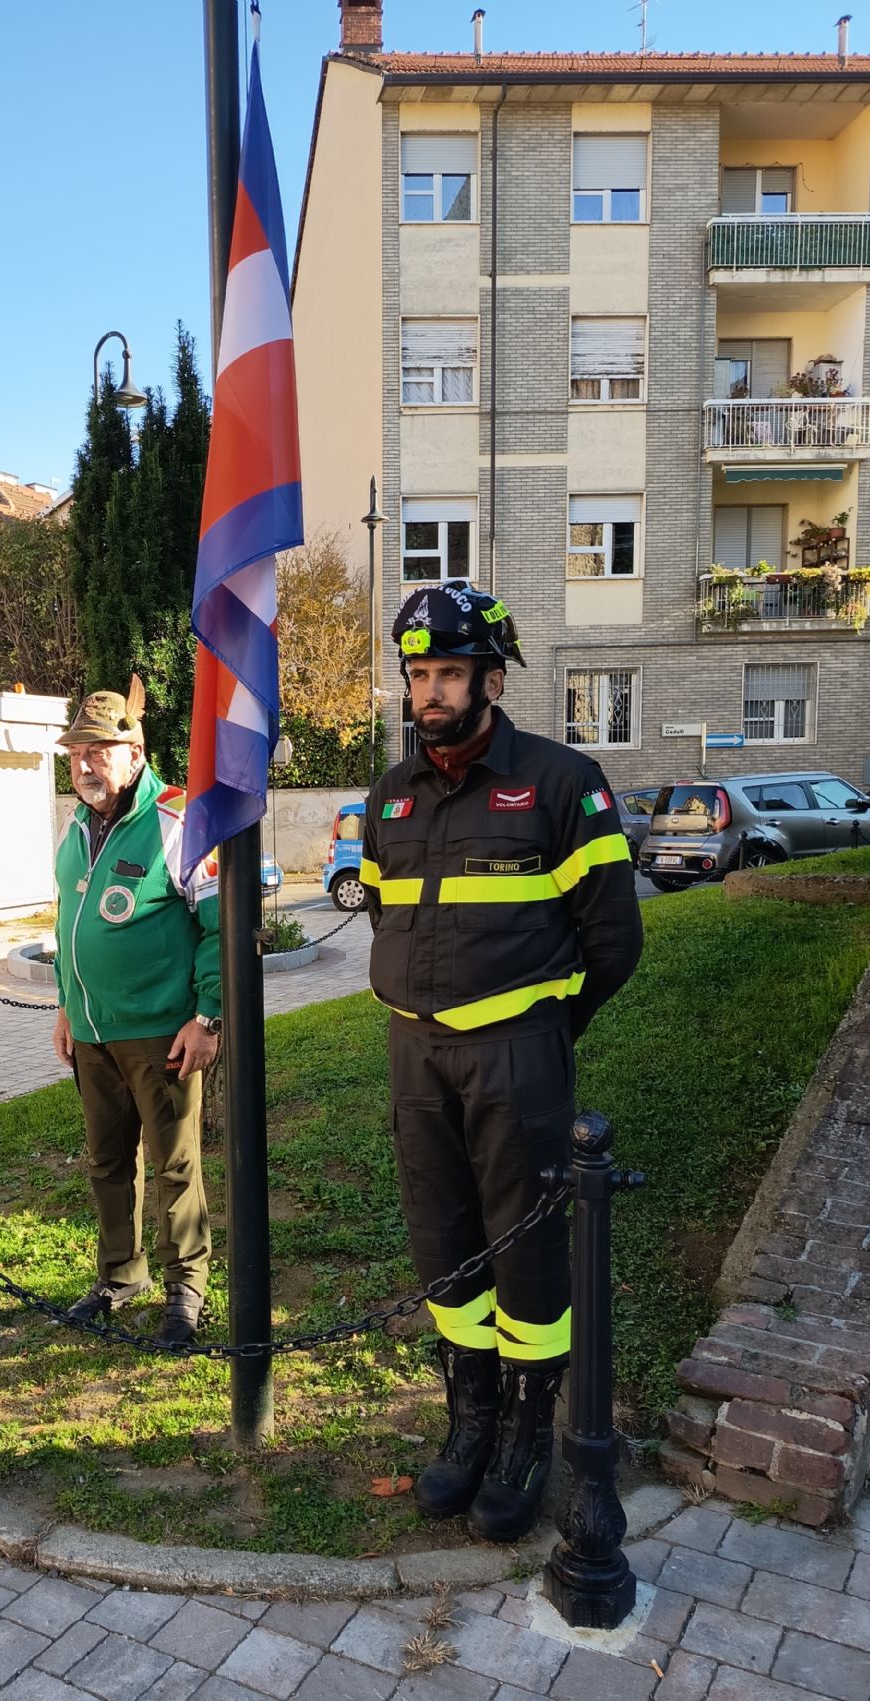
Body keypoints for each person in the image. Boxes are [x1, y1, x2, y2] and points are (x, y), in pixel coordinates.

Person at [363, 584, 642, 1540]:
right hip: (415, 1051)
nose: (430, 692)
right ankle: (470, 1418)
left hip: (518, 1053)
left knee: (525, 1245)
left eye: (449, 673)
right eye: (418, 675)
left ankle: (526, 1431)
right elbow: (386, 915)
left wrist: (547, 1027)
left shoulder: (563, 783)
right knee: (441, 1234)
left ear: (491, 680)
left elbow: (613, 940)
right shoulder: (389, 796)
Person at [52, 676, 221, 1345]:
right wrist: (66, 1006)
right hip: (92, 1033)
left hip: (161, 1035)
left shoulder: (178, 819)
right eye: (75, 754)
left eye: (98, 751)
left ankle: (186, 1289)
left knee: (174, 1166)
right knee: (106, 1162)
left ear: (135, 753)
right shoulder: (75, 826)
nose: (84, 765)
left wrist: (206, 1018)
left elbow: (218, 927)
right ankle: (120, 1274)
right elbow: (67, 924)